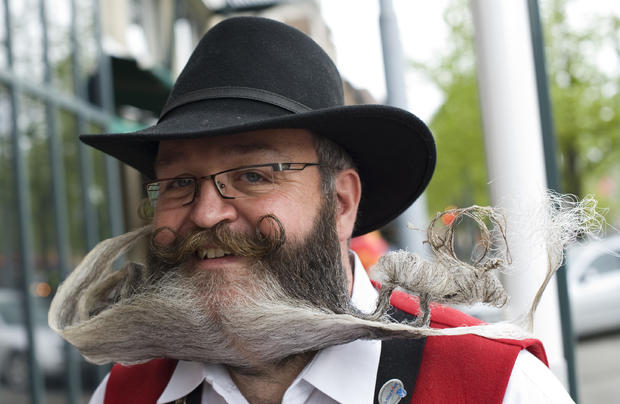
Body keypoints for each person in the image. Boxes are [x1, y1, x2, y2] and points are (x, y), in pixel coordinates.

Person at [51, 16, 573, 403]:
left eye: (252, 175)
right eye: (178, 182)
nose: (206, 214)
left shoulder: (495, 386)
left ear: (341, 202)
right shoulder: (124, 394)